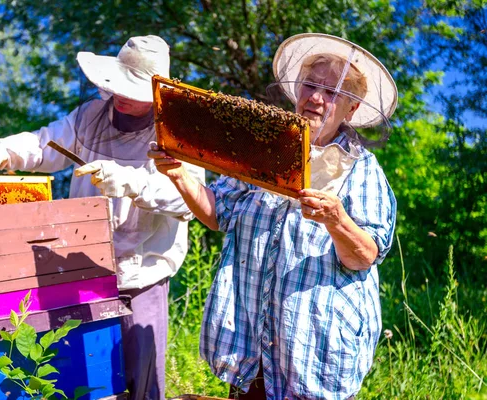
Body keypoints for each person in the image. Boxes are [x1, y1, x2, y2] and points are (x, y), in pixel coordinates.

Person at [148, 33, 398, 399]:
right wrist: (179, 175)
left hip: (314, 349)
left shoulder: (362, 170)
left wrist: (336, 219)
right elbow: (219, 213)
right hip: (250, 344)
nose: (316, 98)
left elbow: (365, 256)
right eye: (310, 85)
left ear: (351, 110)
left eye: (332, 93)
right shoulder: (261, 147)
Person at [0, 35, 205, 400]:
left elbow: (187, 201)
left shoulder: (178, 132)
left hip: (143, 278)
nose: (120, 94)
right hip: (84, 274)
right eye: (118, 84)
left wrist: (129, 181)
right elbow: (44, 143)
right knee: (89, 384)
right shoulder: (90, 116)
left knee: (143, 386)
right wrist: (2, 152)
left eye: (132, 88)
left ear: (157, 91)